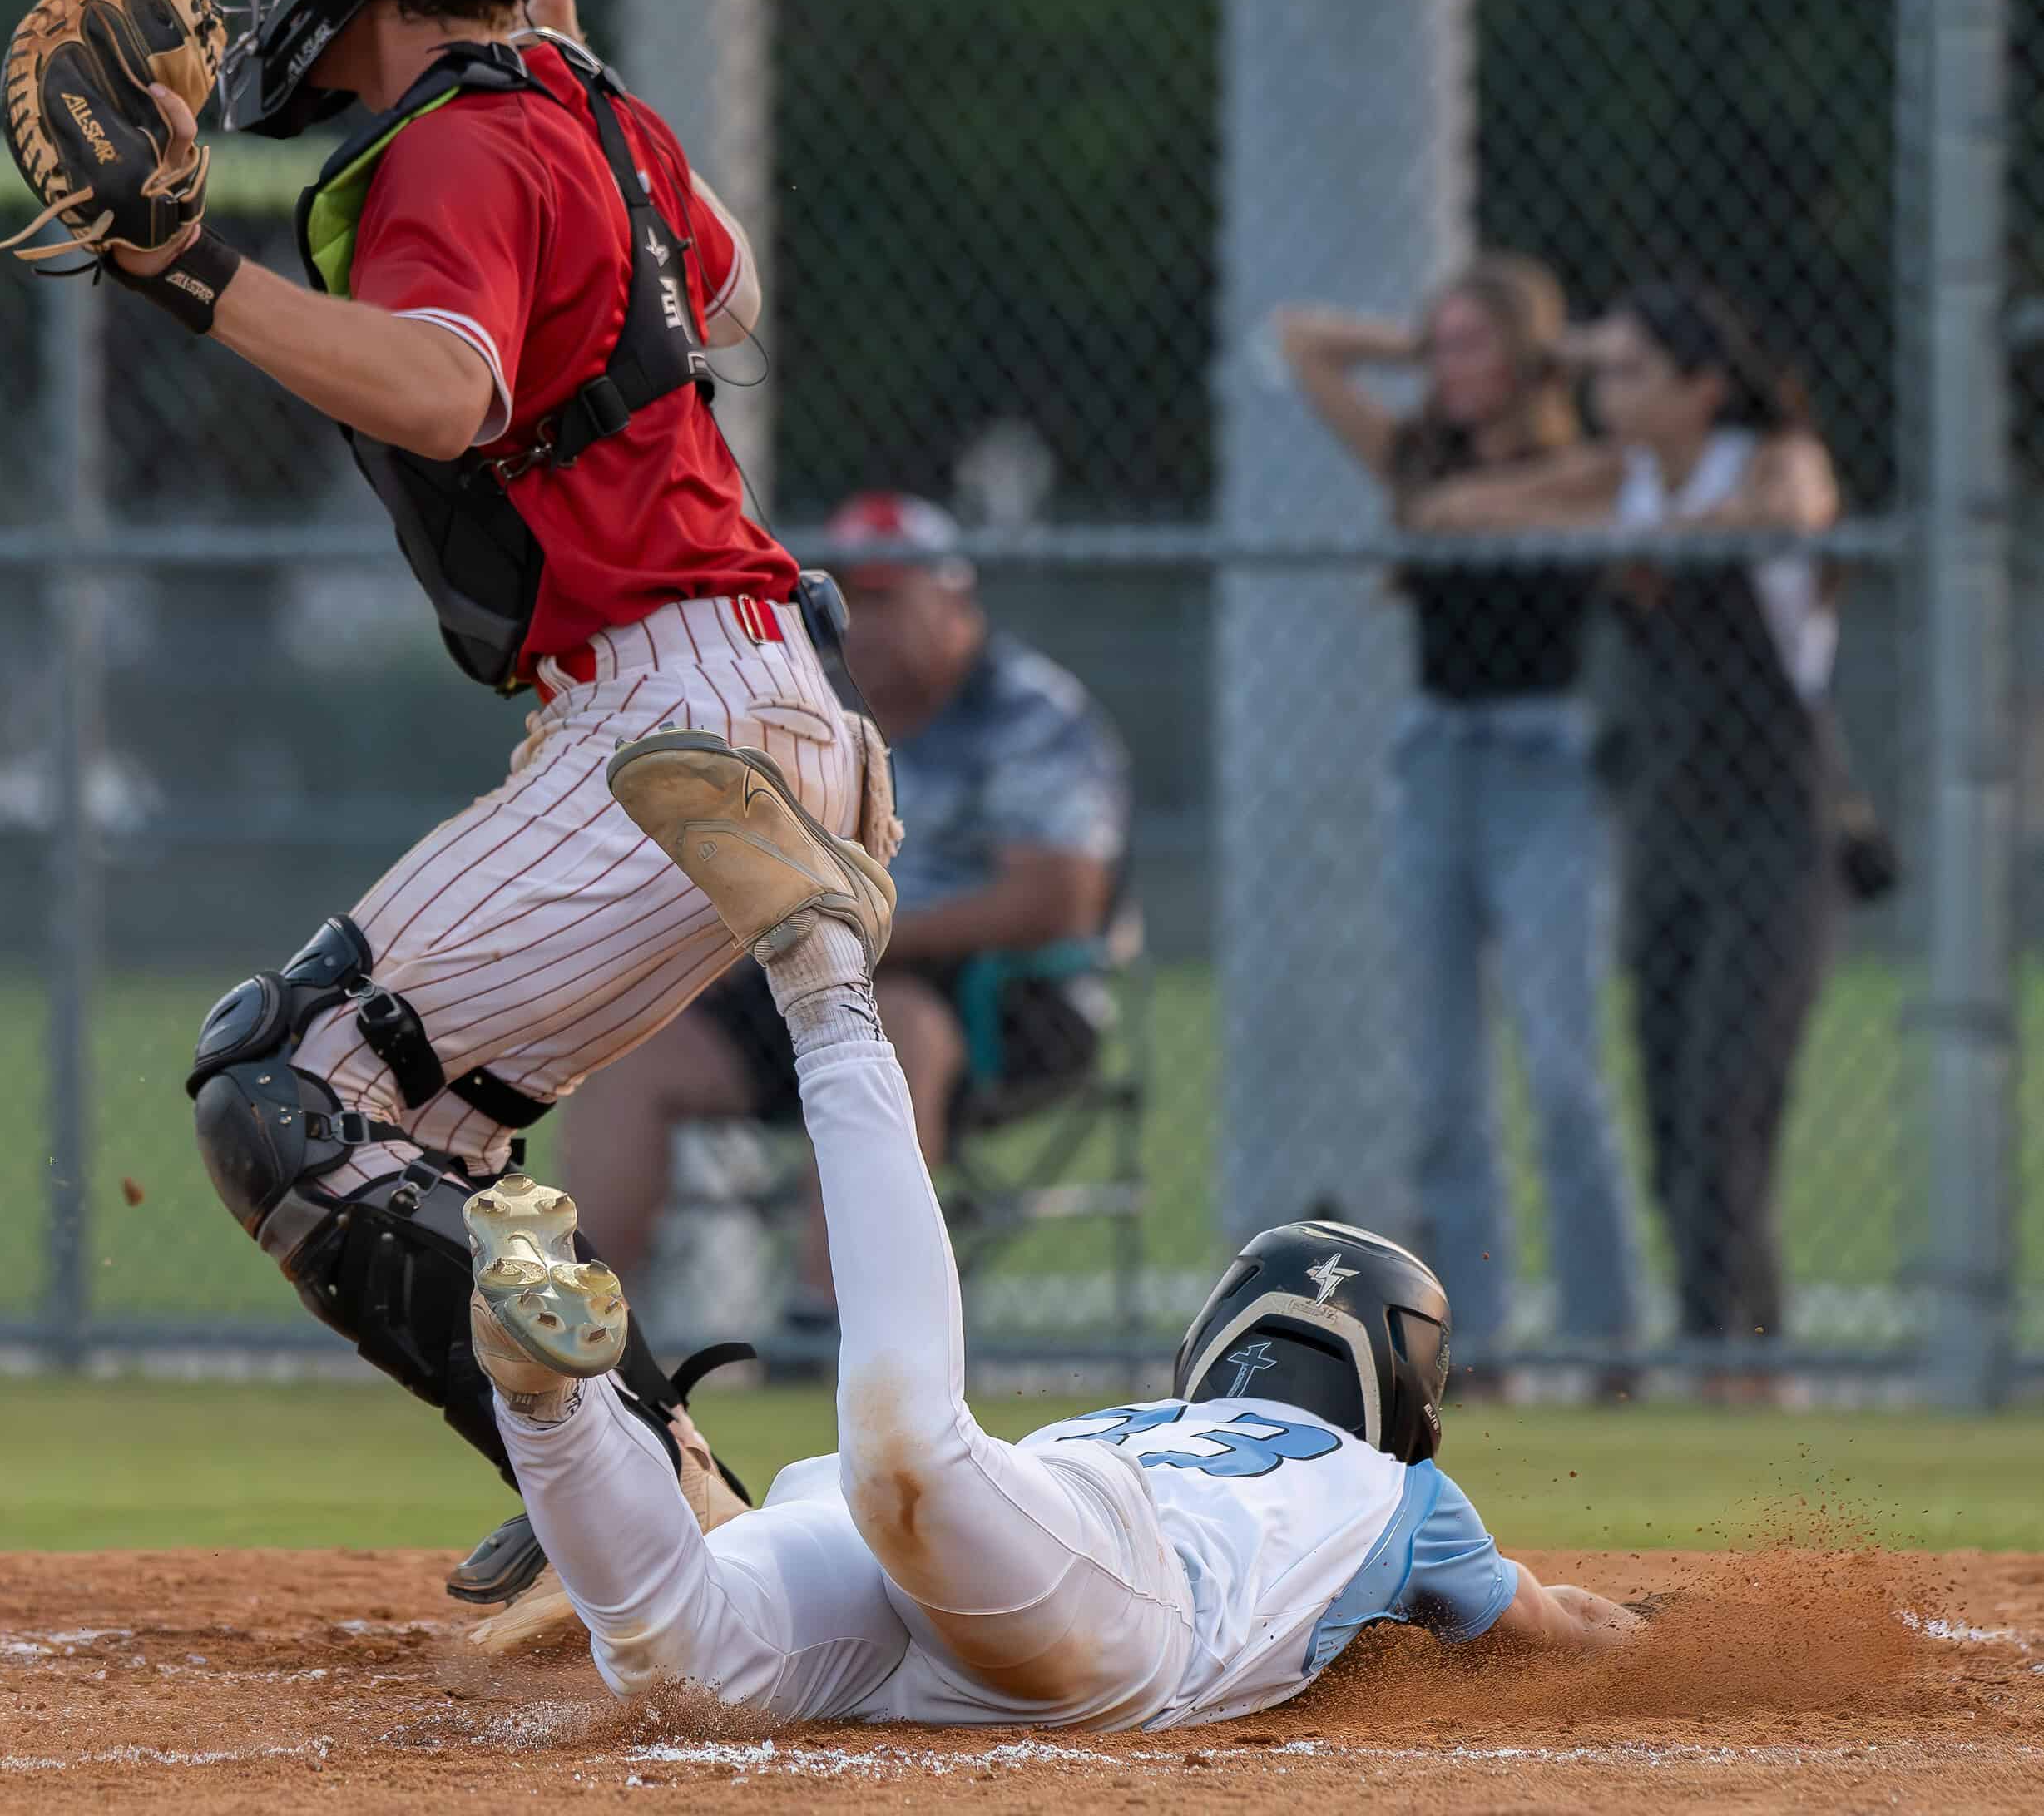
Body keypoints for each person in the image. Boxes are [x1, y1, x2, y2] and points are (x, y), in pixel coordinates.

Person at [85, 0, 895, 1595]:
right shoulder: (589, 116)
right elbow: (732, 291)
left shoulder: (457, 135)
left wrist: (179, 268)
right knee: (416, 1141)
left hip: (670, 725)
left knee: (284, 1093)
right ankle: (658, 1490)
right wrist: (556, 15)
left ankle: (646, 1515)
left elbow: (449, 386)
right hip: (742, 697)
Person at [459, 724, 1639, 1721]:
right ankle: (821, 966)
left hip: (1000, 1540)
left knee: (676, 1655)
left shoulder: (1141, 1422)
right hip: (1099, 1608)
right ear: (1404, 1399)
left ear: (1217, 1346)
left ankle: (548, 1407)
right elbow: (1551, 1629)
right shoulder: (1400, 1494)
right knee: (903, 1461)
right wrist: (1658, 1630)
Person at [568, 492, 1131, 1346]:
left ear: (953, 602)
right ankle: (574, 1326)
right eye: (847, 600)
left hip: (1002, 998)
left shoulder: (1027, 712)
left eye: (887, 598)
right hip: (803, 972)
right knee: (636, 1044)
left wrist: (856, 932)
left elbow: (1058, 900)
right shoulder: (800, 703)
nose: (861, 623)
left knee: (895, 1027)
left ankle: (830, 1324)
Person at [1410, 281, 1842, 1354]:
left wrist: (1651, 525)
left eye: (1631, 370)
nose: (1605, 391)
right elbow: (1448, 511)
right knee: (1664, 1113)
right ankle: (1716, 1353)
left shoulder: (1768, 458)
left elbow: (1785, 513)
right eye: (1595, 371)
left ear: (1702, 387)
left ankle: (1739, 1360)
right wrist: (1558, 369)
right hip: (1667, 825)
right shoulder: (1623, 480)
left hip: (1776, 831)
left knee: (1724, 1113)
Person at [1276, 258, 1641, 1379]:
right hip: (1434, 760)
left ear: (1527, 359)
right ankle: (1474, 1341)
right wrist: (1418, 344)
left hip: (1541, 763)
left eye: (1474, 346)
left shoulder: (1596, 462)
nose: (1449, 369)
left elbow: (1627, 431)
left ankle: (1604, 1340)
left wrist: (1550, 360)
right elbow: (1297, 339)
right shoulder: (1416, 453)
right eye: (1441, 348)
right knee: (1440, 1086)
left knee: (1561, 1067)